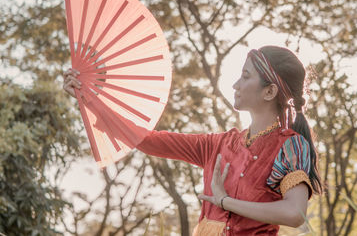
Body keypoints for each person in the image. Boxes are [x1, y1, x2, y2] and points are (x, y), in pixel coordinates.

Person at [63, 45, 323, 235]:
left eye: (245, 76)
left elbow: (295, 213)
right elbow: (146, 140)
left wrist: (224, 202)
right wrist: (90, 99)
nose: (235, 84)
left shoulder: (289, 145)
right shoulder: (217, 145)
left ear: (269, 91)